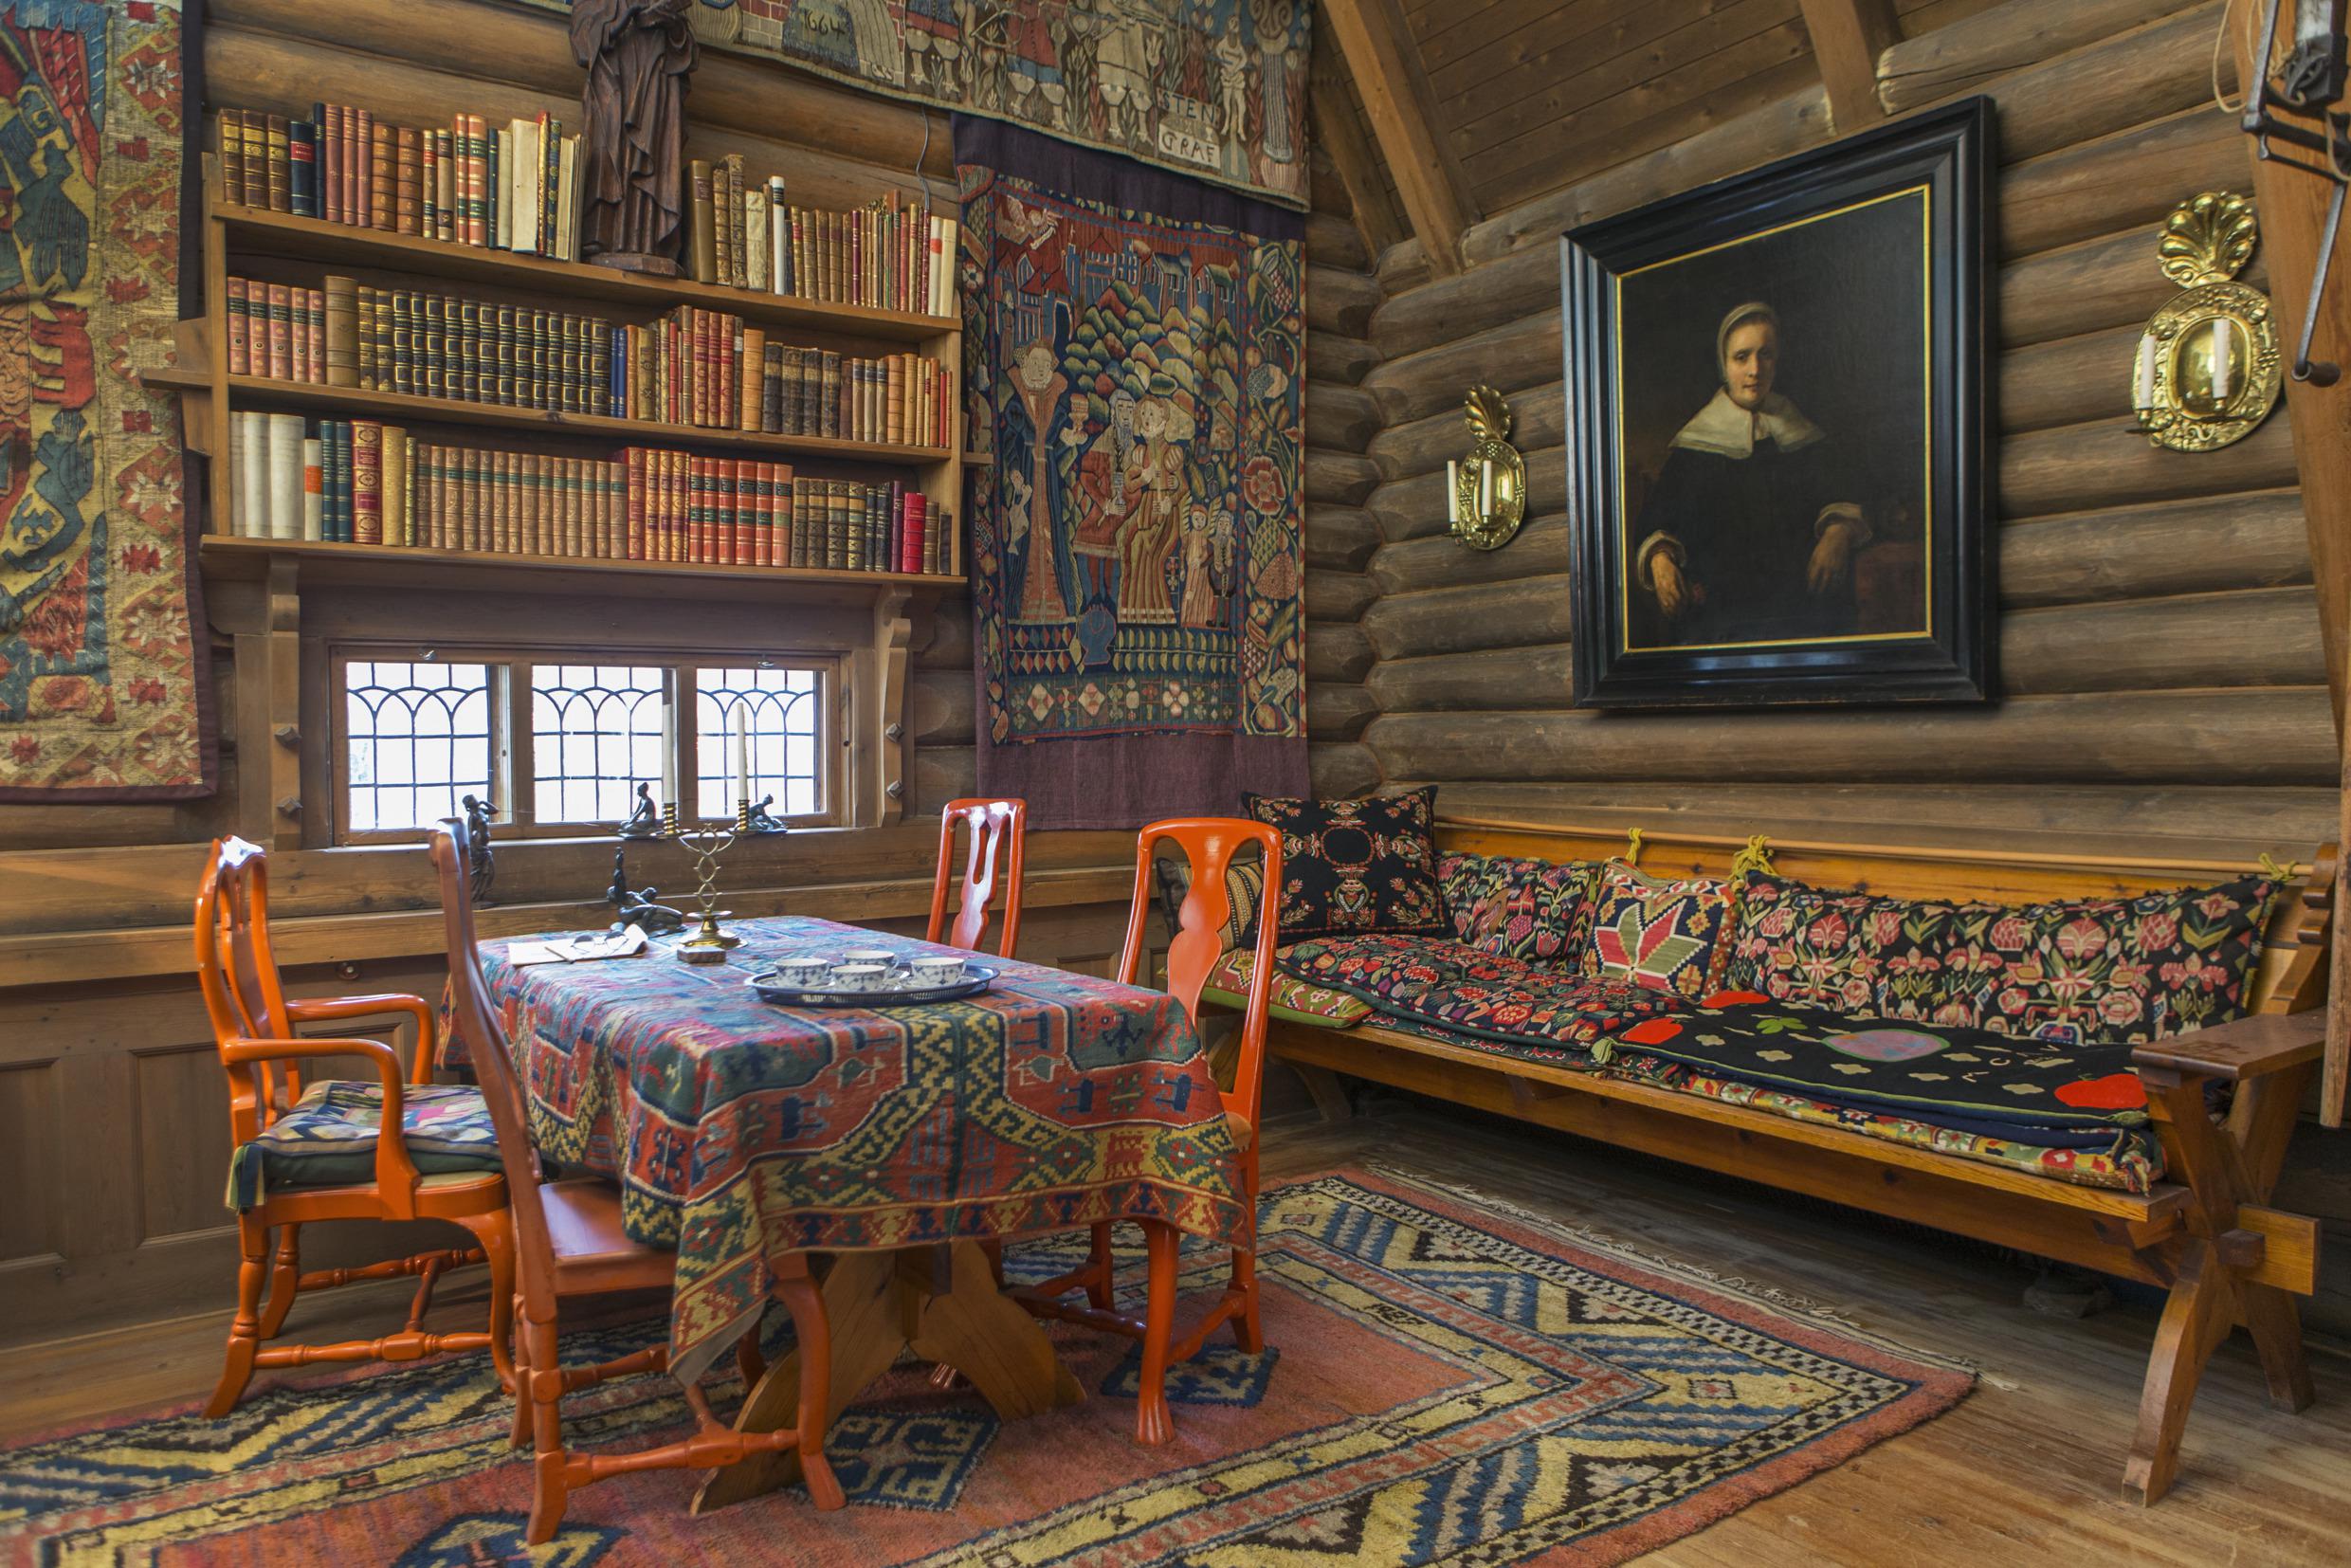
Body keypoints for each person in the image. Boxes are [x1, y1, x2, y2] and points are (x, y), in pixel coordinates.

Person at [1630, 301, 1869, 648]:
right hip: (1721, 616)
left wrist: (1838, 532)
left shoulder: (1799, 431)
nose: (1755, 369)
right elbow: (1657, 520)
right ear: (1723, 365)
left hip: (1801, 607)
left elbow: (1843, 489)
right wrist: (1660, 560)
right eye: (1742, 357)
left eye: (1765, 354)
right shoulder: (1696, 445)